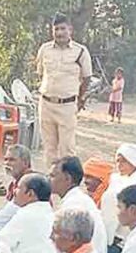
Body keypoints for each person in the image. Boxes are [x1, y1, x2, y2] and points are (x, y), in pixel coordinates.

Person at [35, 12, 93, 164]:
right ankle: (51, 177)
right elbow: (40, 73)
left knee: (67, 149)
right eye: (56, 29)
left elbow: (87, 77)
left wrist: (80, 99)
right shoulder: (45, 49)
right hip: (46, 104)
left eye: (63, 29)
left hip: (67, 106)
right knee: (49, 148)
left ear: (70, 30)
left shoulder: (80, 51)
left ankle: (68, 178)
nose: (59, 33)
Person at [0, 173, 62, 253]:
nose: (14, 191)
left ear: (30, 194)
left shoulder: (26, 215)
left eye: (18, 188)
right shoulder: (53, 216)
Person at [50, 156, 107, 253]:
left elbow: (65, 244)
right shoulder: (79, 199)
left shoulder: (74, 206)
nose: (48, 180)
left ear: (67, 178)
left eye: (52, 176)